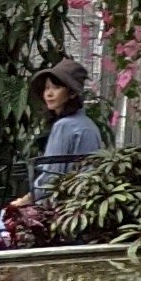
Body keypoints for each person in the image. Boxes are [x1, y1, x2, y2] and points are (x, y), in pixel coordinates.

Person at [30, 58, 109, 200]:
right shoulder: (89, 124)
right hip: (85, 201)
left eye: (56, 88)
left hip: (62, 205)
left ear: (72, 94)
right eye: (47, 88)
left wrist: (25, 200)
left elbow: (50, 179)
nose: (49, 94)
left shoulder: (64, 126)